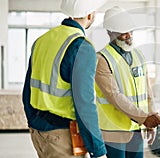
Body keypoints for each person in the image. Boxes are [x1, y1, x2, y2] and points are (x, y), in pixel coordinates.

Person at [22, 0, 107, 157]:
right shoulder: (81, 47)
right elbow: (84, 104)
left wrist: (33, 122)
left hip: (39, 132)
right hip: (62, 136)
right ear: (90, 15)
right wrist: (98, 149)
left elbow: (27, 89)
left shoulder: (42, 40)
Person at [94, 6, 160, 158]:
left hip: (136, 129)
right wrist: (145, 118)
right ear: (110, 33)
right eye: (122, 33)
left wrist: (152, 119)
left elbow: (147, 92)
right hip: (113, 133)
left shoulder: (138, 55)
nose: (128, 35)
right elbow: (114, 96)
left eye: (130, 31)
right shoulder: (102, 59)